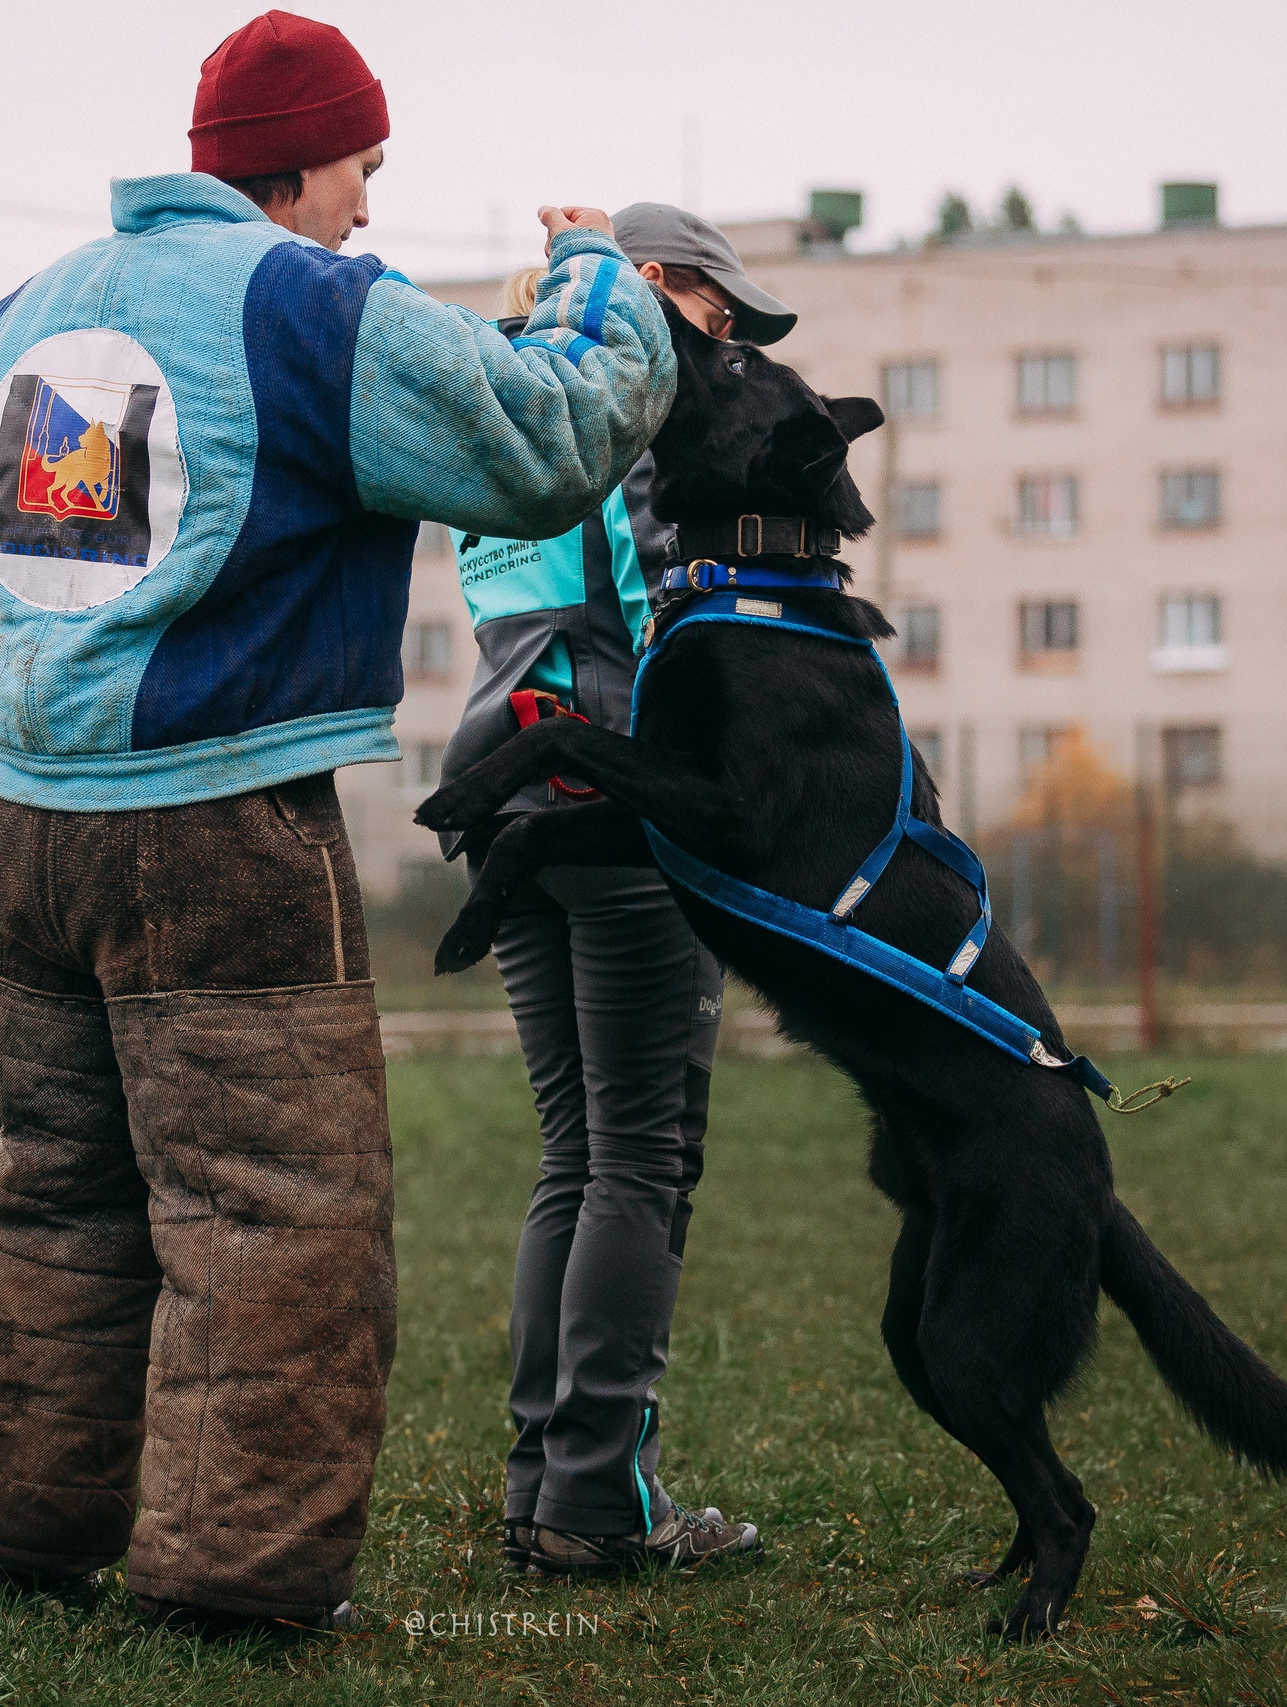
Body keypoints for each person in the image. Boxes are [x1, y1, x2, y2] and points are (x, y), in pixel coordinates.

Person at [0, 10, 675, 1634]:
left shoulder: (18, 315)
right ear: (309, 163)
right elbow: (546, 437)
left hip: (17, 822)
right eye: (364, 170)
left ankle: (12, 1534)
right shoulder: (311, 305)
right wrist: (598, 276)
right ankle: (232, 1584)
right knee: (273, 1213)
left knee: (49, 1189)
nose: (368, 209)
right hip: (217, 828)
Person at [436, 204, 801, 1580]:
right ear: (649, 286)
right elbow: (666, 616)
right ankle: (597, 1503)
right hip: (615, 788)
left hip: (505, 781)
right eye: (717, 311)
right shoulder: (623, 403)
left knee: (577, 1152)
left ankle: (546, 1483)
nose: (728, 343)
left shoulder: (505, 394)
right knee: (640, 1153)